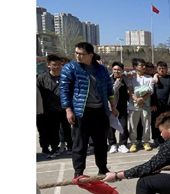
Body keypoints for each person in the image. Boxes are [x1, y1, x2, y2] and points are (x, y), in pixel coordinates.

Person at [59, 43, 116, 180]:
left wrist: (113, 106)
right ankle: (78, 172)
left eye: (81, 54)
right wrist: (68, 109)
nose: (78, 56)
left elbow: (109, 88)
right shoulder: (70, 68)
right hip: (81, 112)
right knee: (79, 143)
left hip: (100, 111)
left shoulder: (101, 69)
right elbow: (64, 90)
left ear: (90, 55)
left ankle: (102, 168)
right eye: (76, 53)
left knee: (101, 143)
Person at [37, 56, 66, 157]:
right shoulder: (42, 78)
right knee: (46, 131)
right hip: (47, 109)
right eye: (54, 65)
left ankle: (57, 147)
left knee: (62, 130)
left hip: (63, 108)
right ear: (48, 65)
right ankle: (46, 148)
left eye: (59, 64)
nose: (57, 67)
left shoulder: (65, 77)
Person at [129, 59, 154, 151]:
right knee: (133, 125)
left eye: (144, 65)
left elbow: (151, 91)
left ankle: (146, 142)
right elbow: (130, 90)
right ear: (135, 67)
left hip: (145, 105)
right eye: (141, 65)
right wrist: (136, 99)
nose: (144, 67)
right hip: (133, 106)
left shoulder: (149, 78)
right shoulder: (131, 77)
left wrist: (142, 99)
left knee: (146, 124)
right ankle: (133, 143)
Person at [151, 61, 170, 142]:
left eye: (163, 68)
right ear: (157, 69)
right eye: (160, 68)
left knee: (168, 122)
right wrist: (152, 104)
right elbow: (151, 93)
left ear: (167, 69)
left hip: (168, 105)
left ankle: (168, 138)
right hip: (156, 105)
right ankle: (156, 139)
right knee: (156, 123)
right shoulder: (153, 79)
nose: (162, 70)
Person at [107, 62, 130, 154]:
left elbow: (133, 73)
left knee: (123, 126)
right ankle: (112, 144)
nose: (116, 71)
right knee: (111, 127)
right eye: (115, 69)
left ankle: (122, 144)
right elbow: (111, 93)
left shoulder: (125, 78)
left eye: (119, 69)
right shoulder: (108, 79)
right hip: (111, 107)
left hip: (123, 107)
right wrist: (117, 83)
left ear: (122, 70)